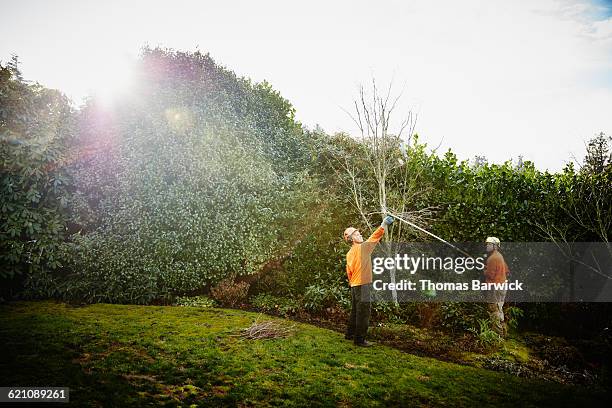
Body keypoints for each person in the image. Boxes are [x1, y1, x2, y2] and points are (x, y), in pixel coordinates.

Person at [343, 215, 394, 347]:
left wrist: (352, 283)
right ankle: (359, 340)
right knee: (364, 312)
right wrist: (383, 224)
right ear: (350, 239)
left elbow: (349, 271)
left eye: (358, 232)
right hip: (363, 284)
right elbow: (375, 237)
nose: (359, 234)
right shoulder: (363, 248)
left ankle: (350, 334)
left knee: (355, 310)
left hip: (354, 284)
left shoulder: (349, 253)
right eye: (356, 233)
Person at [484, 236, 509, 335]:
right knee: (499, 309)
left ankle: (497, 337)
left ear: (495, 246)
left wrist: (485, 271)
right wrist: (489, 267)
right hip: (502, 287)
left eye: (489, 244)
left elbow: (490, 275)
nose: (487, 246)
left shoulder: (492, 258)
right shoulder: (499, 256)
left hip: (495, 288)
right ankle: (504, 334)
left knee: (494, 310)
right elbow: (506, 270)